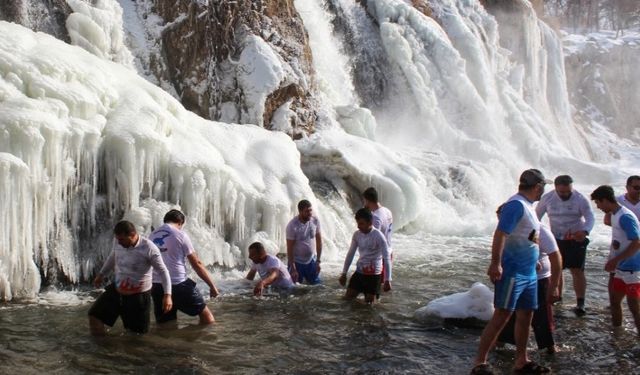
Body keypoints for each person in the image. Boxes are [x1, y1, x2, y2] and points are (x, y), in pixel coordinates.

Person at [471, 169, 551, 375]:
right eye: (543, 187)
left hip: (529, 272)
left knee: (526, 315)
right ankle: (479, 363)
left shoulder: (529, 207)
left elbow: (530, 234)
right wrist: (495, 263)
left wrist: (535, 260)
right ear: (538, 187)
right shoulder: (516, 205)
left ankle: (521, 361)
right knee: (502, 315)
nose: (543, 191)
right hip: (513, 271)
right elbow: (501, 234)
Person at [88, 221, 173, 335]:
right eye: (117, 239)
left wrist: (167, 295)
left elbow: (163, 271)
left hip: (138, 297)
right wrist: (101, 275)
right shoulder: (118, 243)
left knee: (136, 335)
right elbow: (112, 257)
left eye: (122, 239)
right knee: (94, 316)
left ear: (133, 235)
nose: (119, 242)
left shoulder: (148, 247)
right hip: (117, 291)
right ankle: (103, 346)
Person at [497, 223, 562, 354]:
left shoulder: (539, 230)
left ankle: (550, 347)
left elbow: (556, 258)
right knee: (509, 313)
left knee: (542, 316)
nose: (503, 220)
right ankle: (500, 344)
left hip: (540, 279)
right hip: (516, 278)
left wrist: (554, 286)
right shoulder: (507, 230)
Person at [535, 175, 594, 315]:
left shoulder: (580, 198)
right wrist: (535, 237)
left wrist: (585, 231)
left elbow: (590, 217)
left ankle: (580, 302)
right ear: (555, 188)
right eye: (562, 192)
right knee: (557, 269)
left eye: (568, 191)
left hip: (576, 238)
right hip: (555, 238)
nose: (566, 194)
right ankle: (558, 298)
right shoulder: (547, 198)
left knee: (577, 270)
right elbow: (536, 217)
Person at [149, 209, 220, 325]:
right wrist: (212, 286)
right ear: (180, 222)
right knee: (208, 318)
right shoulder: (180, 234)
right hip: (179, 284)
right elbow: (196, 263)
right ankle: (205, 340)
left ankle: (165, 343)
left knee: (166, 324)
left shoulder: (152, 235)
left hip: (157, 286)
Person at [591, 185, 640, 334]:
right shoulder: (614, 214)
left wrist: (615, 259)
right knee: (614, 301)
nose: (598, 207)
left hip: (633, 269)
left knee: (634, 307)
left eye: (598, 203)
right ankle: (617, 333)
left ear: (605, 200)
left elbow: (637, 242)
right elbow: (619, 240)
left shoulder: (625, 216)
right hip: (620, 268)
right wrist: (613, 259)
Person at [339, 208, 392, 304]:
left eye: (361, 223)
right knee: (347, 300)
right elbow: (350, 254)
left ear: (370, 222)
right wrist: (344, 273)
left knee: (369, 306)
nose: (358, 226)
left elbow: (387, 258)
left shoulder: (378, 236)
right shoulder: (357, 235)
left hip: (374, 275)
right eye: (358, 223)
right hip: (359, 272)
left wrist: (388, 280)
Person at [286, 200, 322, 284]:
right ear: (300, 211)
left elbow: (319, 241)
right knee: (295, 290)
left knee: (317, 287)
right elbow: (289, 248)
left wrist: (318, 261)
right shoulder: (292, 226)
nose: (310, 213)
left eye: (310, 210)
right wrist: (293, 268)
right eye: (307, 211)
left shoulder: (315, 220)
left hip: (311, 260)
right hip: (297, 262)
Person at [362, 187, 393, 284]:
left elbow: (374, 239)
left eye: (364, 201)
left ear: (367, 200)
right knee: (382, 285)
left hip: (380, 256)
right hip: (389, 251)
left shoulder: (375, 217)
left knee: (376, 286)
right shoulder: (387, 211)